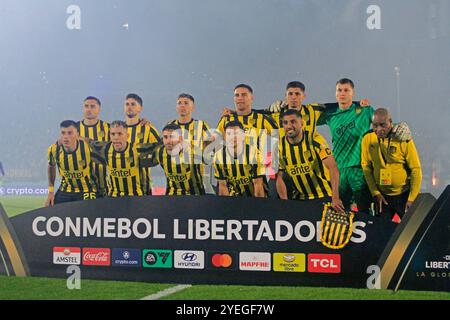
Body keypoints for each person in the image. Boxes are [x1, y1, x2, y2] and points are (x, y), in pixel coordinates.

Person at [276, 109, 344, 212]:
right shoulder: (279, 146)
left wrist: (335, 197)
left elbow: (333, 167)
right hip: (300, 199)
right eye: (285, 123)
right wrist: (285, 203)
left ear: (301, 123)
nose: (289, 126)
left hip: (324, 195)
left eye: (293, 122)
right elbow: (279, 177)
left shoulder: (314, 138)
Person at [361, 108, 422, 221]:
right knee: (381, 234)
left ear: (390, 122)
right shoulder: (367, 138)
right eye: (375, 125)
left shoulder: (403, 138)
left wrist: (412, 198)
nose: (378, 129)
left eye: (382, 125)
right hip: (382, 198)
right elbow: (366, 167)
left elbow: (416, 169)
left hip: (404, 196)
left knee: (411, 231)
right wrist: (375, 193)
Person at [89, 121, 158, 197]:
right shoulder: (106, 149)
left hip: (136, 197)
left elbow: (158, 146)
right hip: (114, 197)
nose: (116, 137)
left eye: (120, 134)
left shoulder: (137, 149)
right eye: (113, 134)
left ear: (127, 136)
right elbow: (90, 143)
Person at [166, 93, 214, 193]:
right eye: (179, 103)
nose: (182, 106)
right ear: (176, 107)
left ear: (193, 107)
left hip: (196, 181)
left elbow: (210, 149)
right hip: (174, 182)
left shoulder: (201, 125)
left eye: (186, 103)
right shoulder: (170, 125)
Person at [45, 120, 99, 206]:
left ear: (77, 134)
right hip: (65, 190)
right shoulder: (54, 149)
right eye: (63, 133)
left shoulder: (87, 146)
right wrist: (51, 192)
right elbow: (51, 166)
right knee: (51, 211)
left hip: (86, 190)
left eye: (70, 133)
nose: (66, 137)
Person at [146, 123, 206, 195]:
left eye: (172, 137)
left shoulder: (193, 152)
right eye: (165, 137)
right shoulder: (159, 152)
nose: (168, 141)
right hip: (172, 196)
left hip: (195, 196)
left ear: (180, 139)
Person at [213, 121, 267, 197]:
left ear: (243, 135)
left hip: (254, 198)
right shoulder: (218, 157)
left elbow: (258, 184)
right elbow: (222, 186)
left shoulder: (255, 154)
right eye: (229, 134)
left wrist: (257, 207)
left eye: (236, 133)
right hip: (233, 199)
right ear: (224, 136)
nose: (232, 137)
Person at [124, 93, 161, 194]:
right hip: (119, 189)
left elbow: (161, 150)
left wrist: (146, 162)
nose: (129, 107)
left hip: (142, 187)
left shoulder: (148, 129)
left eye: (133, 104)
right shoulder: (116, 130)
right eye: (127, 104)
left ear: (140, 108)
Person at [77, 96, 110, 197]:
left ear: (99, 109)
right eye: (86, 106)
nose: (89, 109)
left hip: (104, 186)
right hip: (80, 187)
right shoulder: (73, 128)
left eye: (92, 106)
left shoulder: (109, 128)